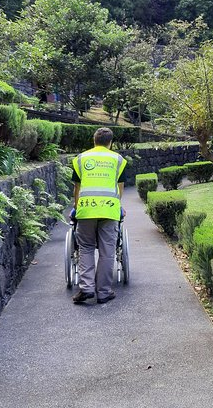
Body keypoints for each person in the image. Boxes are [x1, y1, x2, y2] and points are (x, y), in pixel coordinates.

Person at [70, 127, 127, 304]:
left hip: (86, 209)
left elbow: (77, 188)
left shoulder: (81, 159)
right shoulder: (118, 160)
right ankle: (103, 292)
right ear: (110, 143)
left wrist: (77, 206)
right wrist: (115, 205)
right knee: (107, 251)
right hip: (109, 210)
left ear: (94, 140)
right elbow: (120, 187)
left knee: (86, 247)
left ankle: (86, 288)